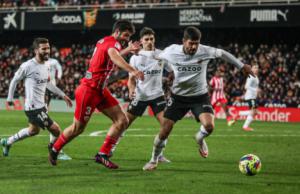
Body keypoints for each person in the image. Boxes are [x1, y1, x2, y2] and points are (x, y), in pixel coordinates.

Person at [142, 26, 254, 171]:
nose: (194, 46)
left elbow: (222, 53)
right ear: (184, 41)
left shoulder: (204, 51)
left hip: (199, 96)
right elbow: (155, 55)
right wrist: (137, 51)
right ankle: (153, 160)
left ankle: (199, 139)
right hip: (178, 97)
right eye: (191, 43)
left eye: (196, 43)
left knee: (209, 126)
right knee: (165, 130)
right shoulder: (172, 51)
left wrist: (241, 65)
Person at [48, 20, 144, 169]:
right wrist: (133, 70)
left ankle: (102, 155)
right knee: (77, 128)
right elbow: (114, 56)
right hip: (89, 90)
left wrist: (128, 50)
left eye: (129, 36)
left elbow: (112, 54)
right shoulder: (114, 44)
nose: (127, 38)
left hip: (100, 90)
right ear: (117, 31)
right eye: (126, 35)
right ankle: (55, 148)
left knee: (122, 120)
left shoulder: (106, 41)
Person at [0, 38, 73, 158]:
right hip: (33, 107)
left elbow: (48, 84)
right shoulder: (28, 66)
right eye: (43, 48)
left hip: (41, 105)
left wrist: (63, 95)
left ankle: (7, 142)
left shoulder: (47, 65)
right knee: (56, 130)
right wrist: (9, 98)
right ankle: (55, 151)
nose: (47, 51)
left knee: (33, 131)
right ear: (36, 50)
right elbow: (14, 80)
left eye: (48, 48)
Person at [109, 27, 171, 163]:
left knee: (166, 126)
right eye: (146, 39)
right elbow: (131, 79)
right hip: (140, 96)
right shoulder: (135, 58)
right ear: (141, 41)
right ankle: (110, 149)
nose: (150, 41)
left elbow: (172, 71)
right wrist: (131, 90)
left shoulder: (161, 55)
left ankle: (159, 155)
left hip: (158, 96)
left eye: (152, 39)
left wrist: (171, 81)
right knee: (124, 123)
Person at [45, 58, 72, 160]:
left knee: (34, 129)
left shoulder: (54, 61)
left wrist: (59, 77)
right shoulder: (34, 64)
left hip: (49, 88)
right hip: (41, 92)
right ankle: (55, 148)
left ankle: (8, 142)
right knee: (37, 127)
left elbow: (59, 68)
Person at [239, 64, 259, 131]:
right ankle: (245, 127)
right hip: (250, 97)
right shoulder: (251, 76)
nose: (256, 69)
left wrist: (256, 92)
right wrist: (255, 90)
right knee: (253, 112)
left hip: (253, 97)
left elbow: (254, 87)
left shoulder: (256, 77)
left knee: (255, 112)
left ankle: (239, 114)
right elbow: (246, 86)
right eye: (255, 67)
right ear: (251, 69)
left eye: (257, 68)